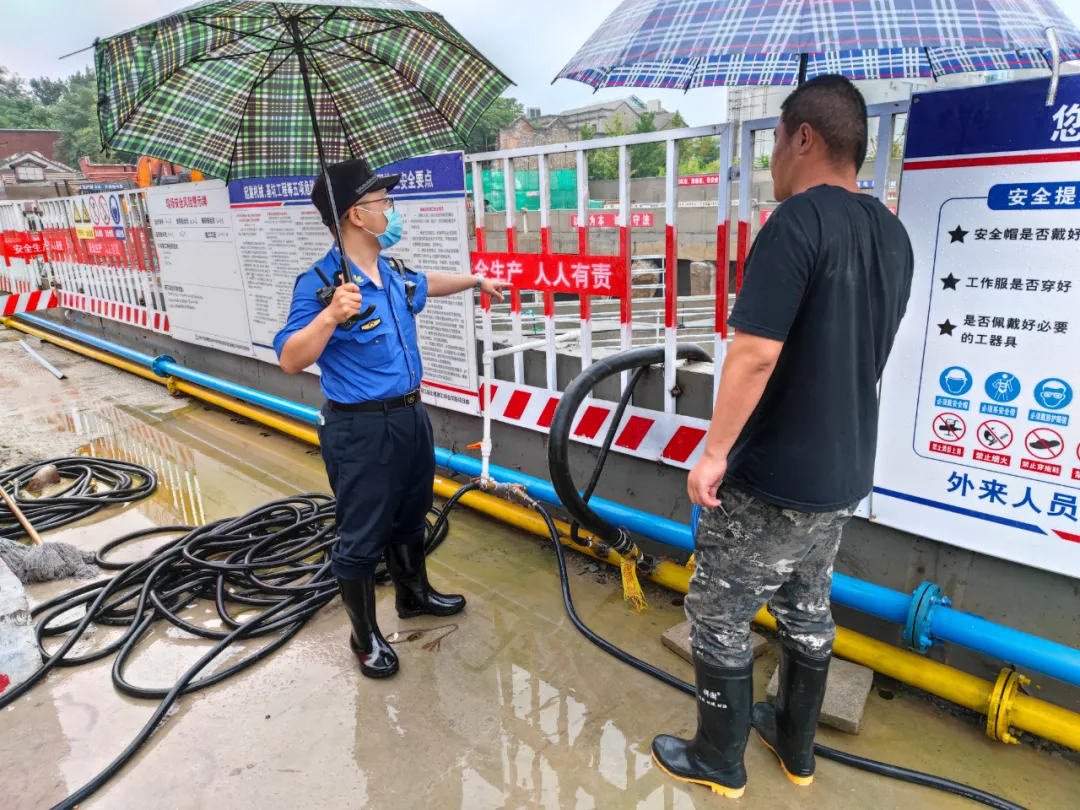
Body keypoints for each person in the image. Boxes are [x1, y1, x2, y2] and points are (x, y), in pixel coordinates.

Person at [651, 76, 914, 797]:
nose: (770, 156)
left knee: (718, 612)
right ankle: (795, 750)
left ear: (804, 137)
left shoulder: (794, 225)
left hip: (773, 477)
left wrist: (713, 453)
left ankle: (717, 760)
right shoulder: (891, 234)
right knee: (807, 607)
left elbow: (756, 353)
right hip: (841, 472)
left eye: (774, 138)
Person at [274, 157, 509, 679]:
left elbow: (429, 282)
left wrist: (475, 280)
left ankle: (414, 595)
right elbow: (290, 357)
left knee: (411, 511)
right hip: (359, 428)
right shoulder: (319, 285)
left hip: (409, 417)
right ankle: (364, 637)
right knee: (360, 535)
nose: (392, 212)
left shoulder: (393, 274)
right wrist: (332, 315)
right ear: (357, 215)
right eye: (384, 203)